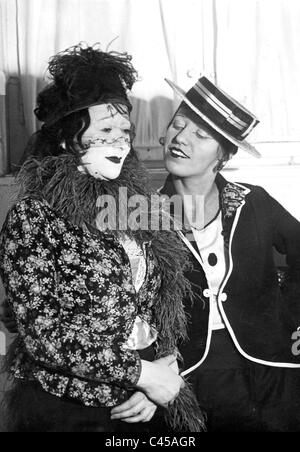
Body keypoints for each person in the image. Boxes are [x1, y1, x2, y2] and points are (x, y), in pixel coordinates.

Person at [0, 44, 204, 432]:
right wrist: (143, 375)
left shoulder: (137, 209)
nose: (120, 143)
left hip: (140, 407)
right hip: (71, 411)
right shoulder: (34, 216)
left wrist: (162, 368)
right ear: (66, 139)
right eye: (105, 130)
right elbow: (45, 335)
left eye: (125, 131)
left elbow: (160, 305)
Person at [157, 76, 300, 431]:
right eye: (177, 124)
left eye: (201, 135)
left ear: (224, 155)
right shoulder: (141, 212)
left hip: (269, 365)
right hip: (187, 371)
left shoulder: (255, 201)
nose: (180, 139)